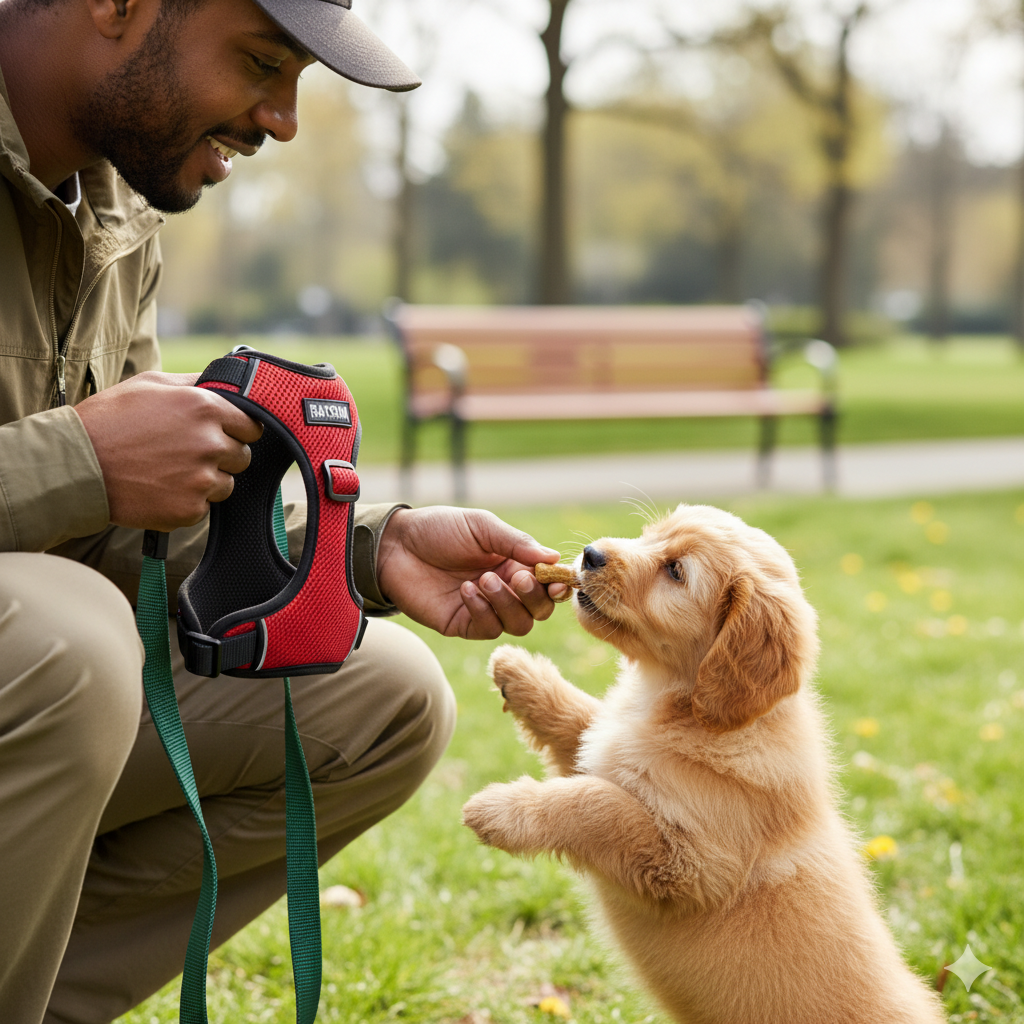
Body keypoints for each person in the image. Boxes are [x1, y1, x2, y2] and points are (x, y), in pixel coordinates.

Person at [0, 0, 569, 1020]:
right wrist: (77, 458)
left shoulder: (115, 209)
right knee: (69, 642)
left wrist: (359, 554)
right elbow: (79, 490)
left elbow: (112, 529)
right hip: (45, 663)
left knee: (377, 695)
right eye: (263, 60)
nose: (284, 119)